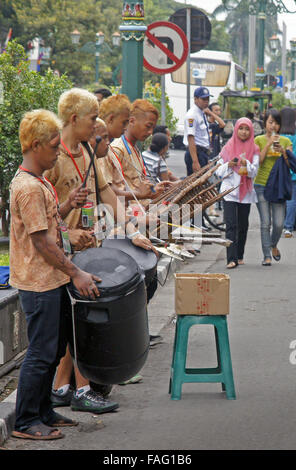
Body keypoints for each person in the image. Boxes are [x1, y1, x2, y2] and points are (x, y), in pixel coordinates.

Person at [47, 88, 155, 410]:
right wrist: (67, 234)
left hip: (89, 247)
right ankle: (80, 391)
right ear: (74, 119)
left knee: (78, 320)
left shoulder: (87, 154)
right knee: (78, 321)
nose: (97, 126)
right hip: (61, 253)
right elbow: (44, 212)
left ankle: (61, 388)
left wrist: (133, 233)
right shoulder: (54, 157)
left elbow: (107, 194)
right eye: (93, 118)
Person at [9, 109, 101, 440]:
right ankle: (25, 421)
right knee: (41, 351)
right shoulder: (29, 187)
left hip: (52, 280)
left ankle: (44, 410)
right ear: (35, 146)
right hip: (39, 282)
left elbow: (49, 222)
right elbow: (42, 241)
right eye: (53, 147)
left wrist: (68, 204)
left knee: (54, 347)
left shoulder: (40, 182)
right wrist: (76, 272)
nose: (58, 152)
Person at [215, 118, 260, 268]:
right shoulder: (228, 147)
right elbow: (218, 171)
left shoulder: (254, 149)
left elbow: (254, 172)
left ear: (251, 131)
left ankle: (240, 254)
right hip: (228, 190)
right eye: (241, 128)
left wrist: (246, 164)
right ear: (236, 130)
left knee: (242, 226)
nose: (244, 132)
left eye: (247, 129)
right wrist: (229, 164)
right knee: (231, 225)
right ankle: (231, 259)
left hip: (245, 192)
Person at [254, 109, 293, 266]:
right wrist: (269, 143)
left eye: (276, 123)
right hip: (261, 184)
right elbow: (259, 161)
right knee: (265, 223)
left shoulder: (285, 141)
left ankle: (273, 244)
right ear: (265, 124)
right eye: (270, 122)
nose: (273, 126)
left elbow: (291, 164)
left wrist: (283, 152)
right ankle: (266, 256)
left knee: (278, 223)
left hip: (278, 186)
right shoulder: (258, 140)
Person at [183, 86, 214, 176]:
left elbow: (203, 138)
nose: (206, 101)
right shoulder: (192, 115)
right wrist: (195, 161)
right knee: (195, 185)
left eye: (208, 99)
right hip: (196, 153)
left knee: (201, 184)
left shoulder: (201, 113)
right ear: (195, 99)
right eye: (203, 99)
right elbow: (191, 138)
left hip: (202, 153)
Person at [280, 107, 296, 237]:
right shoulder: (295, 136)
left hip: (280, 172)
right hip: (293, 172)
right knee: (292, 200)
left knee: (279, 199)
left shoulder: (277, 137)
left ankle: (278, 224)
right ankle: (288, 227)